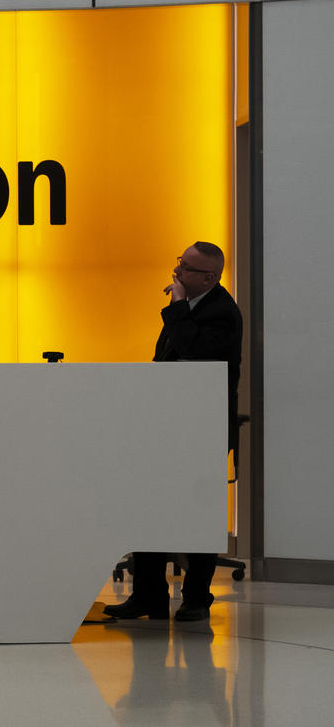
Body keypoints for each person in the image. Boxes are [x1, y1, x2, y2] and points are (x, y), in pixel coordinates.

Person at [104, 242, 242, 623]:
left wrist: (177, 305)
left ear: (209, 278)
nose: (177, 272)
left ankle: (197, 597)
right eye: (179, 264)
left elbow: (195, 355)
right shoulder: (184, 310)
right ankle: (148, 595)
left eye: (186, 267)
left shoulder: (221, 312)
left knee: (198, 512)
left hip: (203, 430)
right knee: (148, 507)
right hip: (166, 428)